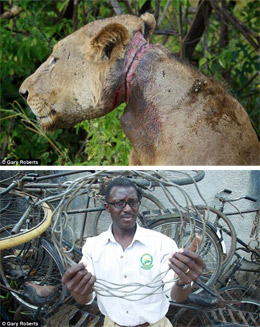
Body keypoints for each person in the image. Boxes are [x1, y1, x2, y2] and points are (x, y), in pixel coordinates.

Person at [62, 178, 205, 327]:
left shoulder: (162, 244)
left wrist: (182, 282)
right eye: (119, 203)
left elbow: (177, 297)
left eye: (133, 202)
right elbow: (85, 298)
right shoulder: (93, 247)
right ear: (107, 207)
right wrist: (77, 290)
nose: (128, 209)